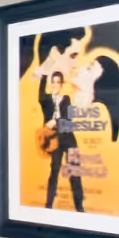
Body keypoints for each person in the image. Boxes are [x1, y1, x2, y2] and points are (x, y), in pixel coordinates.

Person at [38, 70, 84, 212]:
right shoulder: (46, 101)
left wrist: (55, 122)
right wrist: (45, 73)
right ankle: (48, 206)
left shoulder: (66, 99)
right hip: (55, 140)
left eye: (58, 82)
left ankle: (79, 207)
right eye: (53, 82)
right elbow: (40, 94)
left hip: (69, 138)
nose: (55, 85)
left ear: (62, 84)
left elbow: (67, 119)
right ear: (51, 84)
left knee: (75, 172)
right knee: (54, 173)